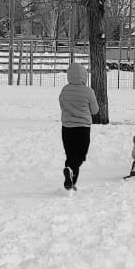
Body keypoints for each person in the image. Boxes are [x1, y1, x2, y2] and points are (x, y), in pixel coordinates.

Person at [58, 62, 98, 190]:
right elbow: (95, 110)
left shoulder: (64, 90)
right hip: (82, 128)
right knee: (80, 155)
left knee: (70, 155)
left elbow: (62, 106)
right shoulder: (88, 91)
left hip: (67, 128)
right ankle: (71, 176)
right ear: (84, 76)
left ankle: (71, 181)